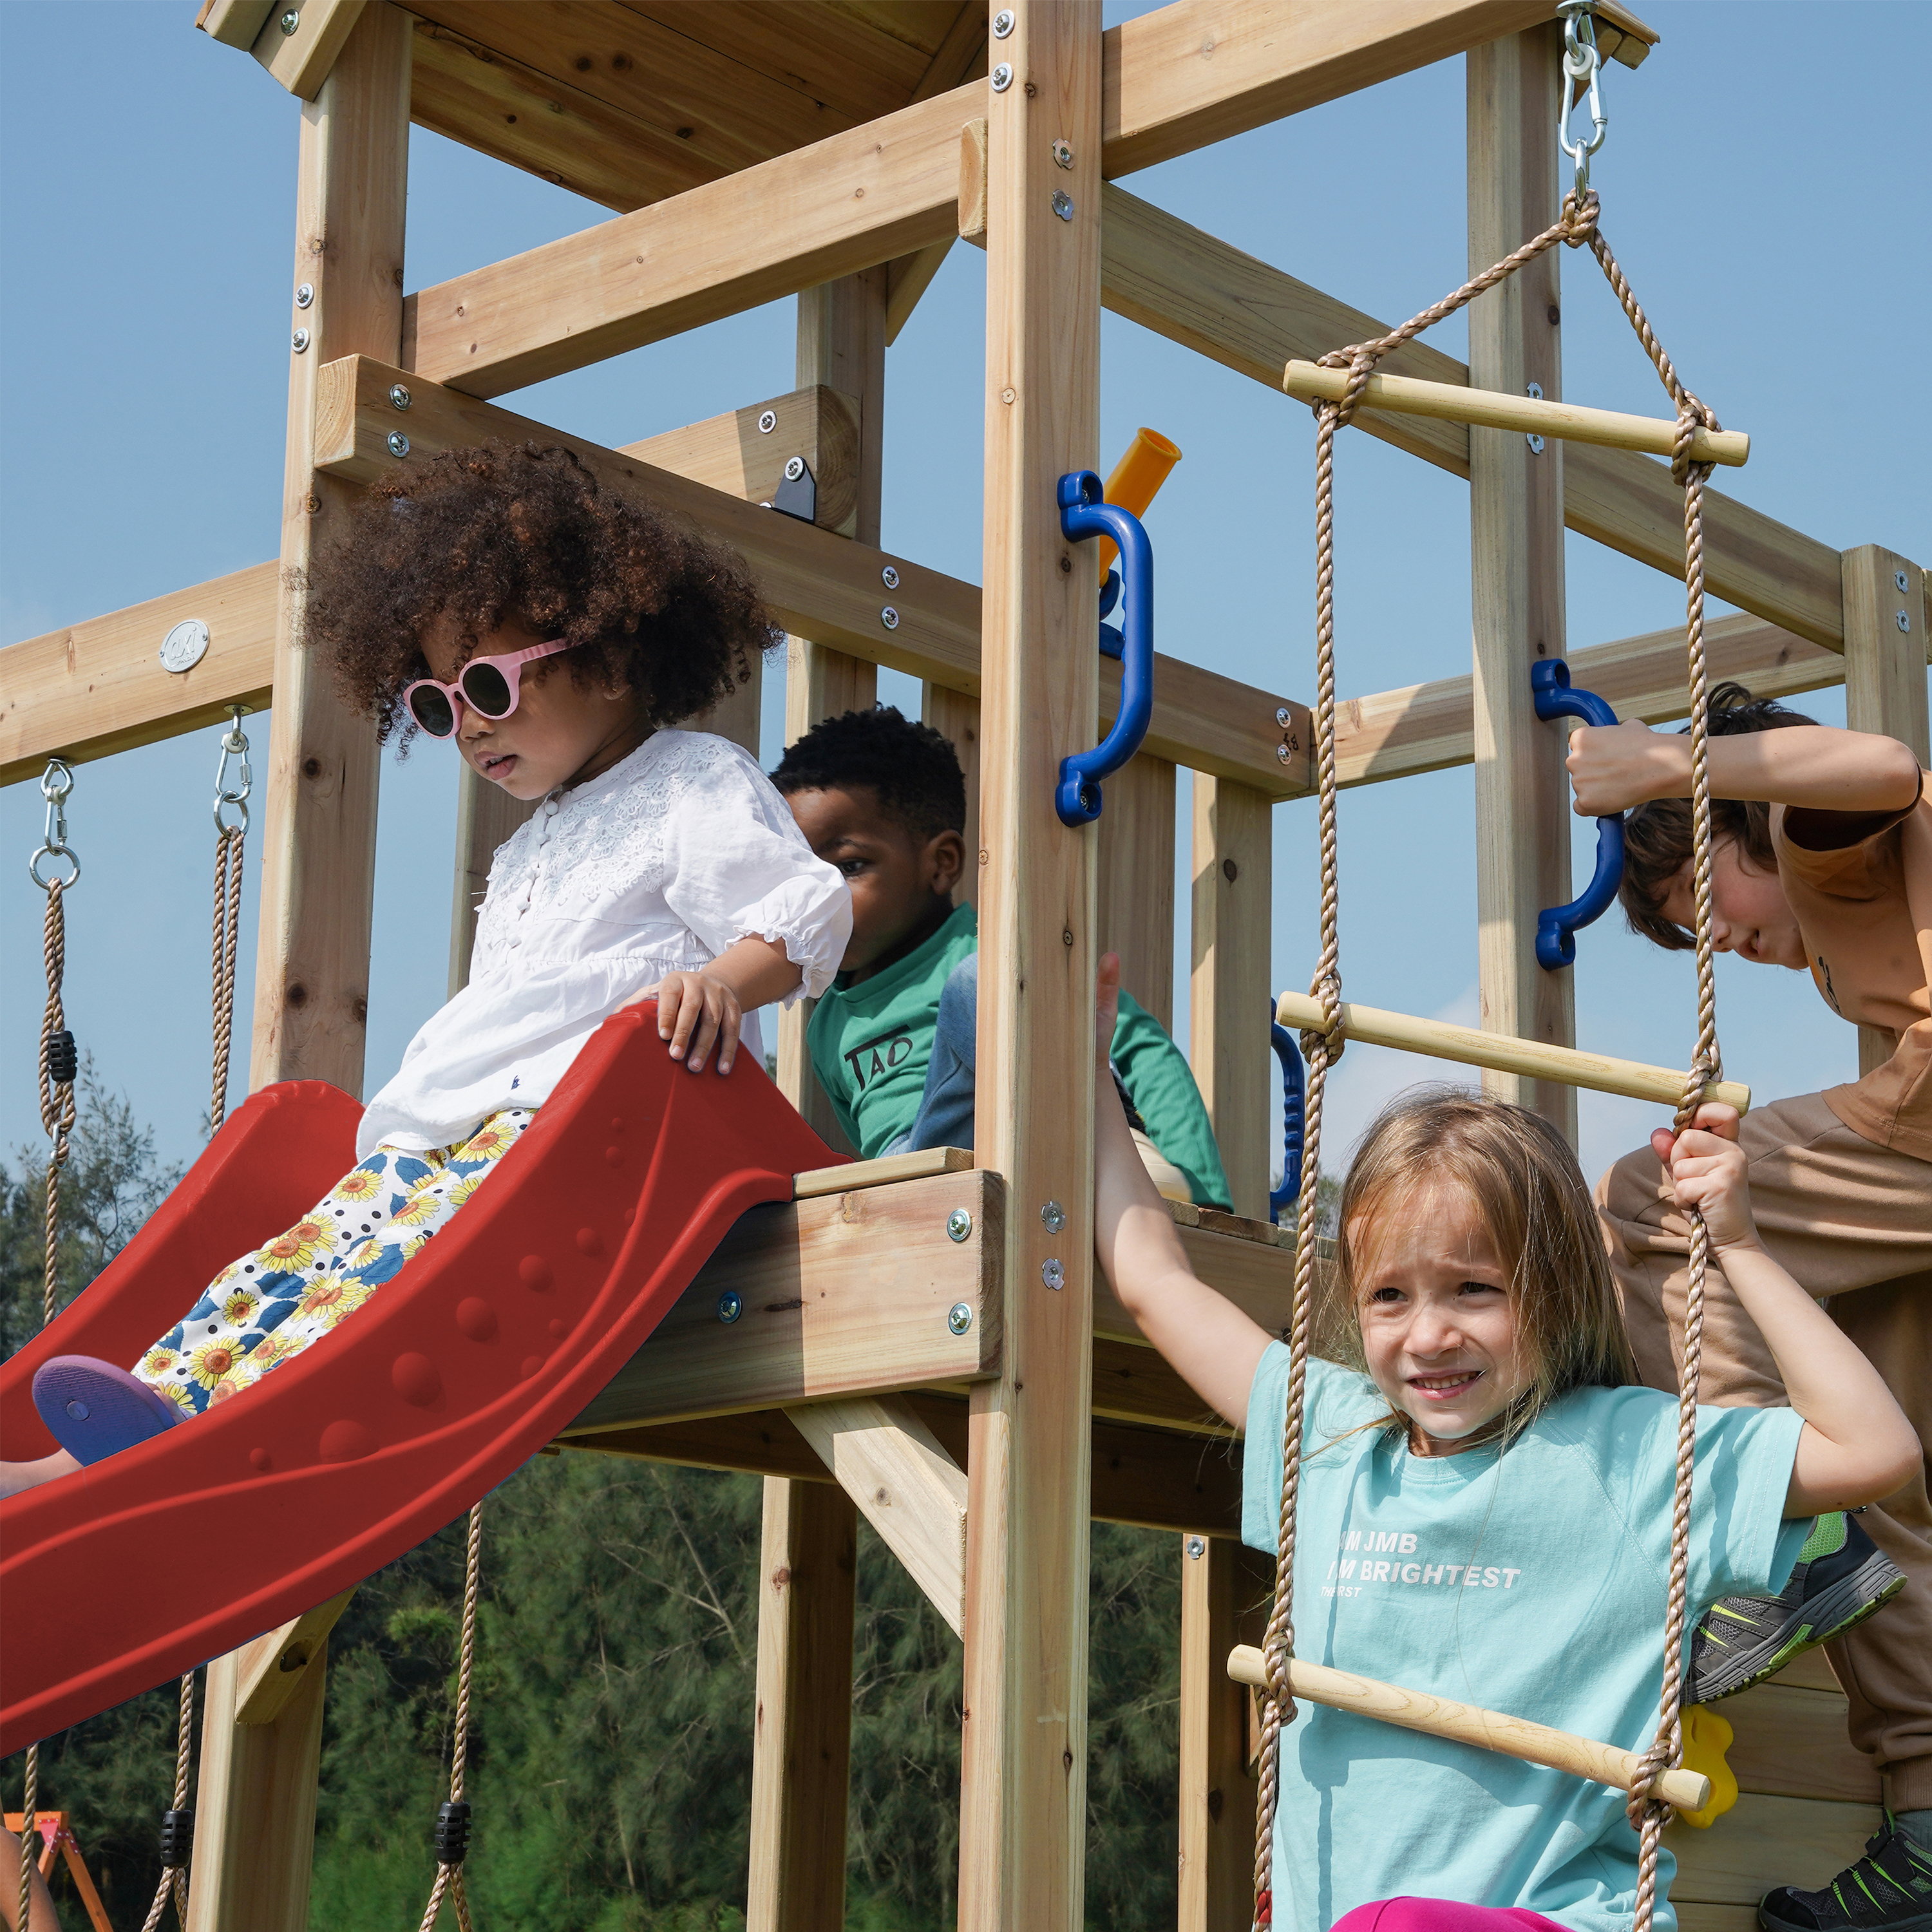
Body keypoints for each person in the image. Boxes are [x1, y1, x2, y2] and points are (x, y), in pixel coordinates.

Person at [5, 442, 849, 1496]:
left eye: (491, 683)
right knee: (281, 1273)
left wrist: (722, 982)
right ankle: (90, 1454)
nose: (471, 724)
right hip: (451, 1149)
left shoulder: (688, 783)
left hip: (571, 1156)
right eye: (440, 705)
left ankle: (181, 1444)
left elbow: (801, 910)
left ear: (616, 660)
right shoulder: (528, 846)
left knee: (371, 1291)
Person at [1089, 951, 1920, 1932]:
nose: (1429, 1333)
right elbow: (1153, 1278)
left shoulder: (1628, 1454)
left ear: (1555, 1291)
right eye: (1390, 1296)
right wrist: (1091, 1061)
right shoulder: (1335, 1436)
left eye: (1474, 1290)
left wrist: (1736, 1246)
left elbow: (1874, 1450)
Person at [1570, 685, 1932, 1926]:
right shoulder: (1862, 911)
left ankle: (1776, 1552)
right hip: (1912, 1161)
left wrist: (1662, 762)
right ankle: (1931, 1827)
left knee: (1653, 1192)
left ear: (1732, 829)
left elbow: (1882, 758)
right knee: (1884, 1461)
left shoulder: (1807, 829)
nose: (1713, 939)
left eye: (1695, 906)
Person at [772, 705, 1231, 1208]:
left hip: (1008, 1164)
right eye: (798, 880)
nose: (819, 900)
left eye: (849, 867)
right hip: (912, 1187)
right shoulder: (827, 1024)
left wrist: (1202, 1191)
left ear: (941, 864)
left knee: (986, 980)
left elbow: (1138, 1047)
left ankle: (1120, 1146)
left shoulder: (984, 957)